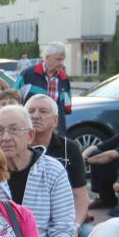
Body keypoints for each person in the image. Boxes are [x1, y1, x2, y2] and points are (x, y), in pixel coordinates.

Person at [0, 106, 76, 237]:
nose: (5, 137)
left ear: (30, 135)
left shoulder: (52, 170)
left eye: (14, 130)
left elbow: (63, 228)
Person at [26, 94, 89, 226]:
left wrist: (75, 225)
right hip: (27, 221)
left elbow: (80, 196)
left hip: (65, 219)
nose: (35, 116)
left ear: (55, 120)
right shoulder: (17, 147)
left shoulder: (69, 148)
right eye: (30, 111)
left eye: (43, 111)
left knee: (91, 235)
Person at [16, 42, 72, 135]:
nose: (61, 63)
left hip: (55, 131)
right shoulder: (27, 75)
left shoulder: (63, 78)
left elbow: (65, 109)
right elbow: (13, 101)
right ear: (47, 57)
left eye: (63, 60)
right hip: (30, 129)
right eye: (58, 59)